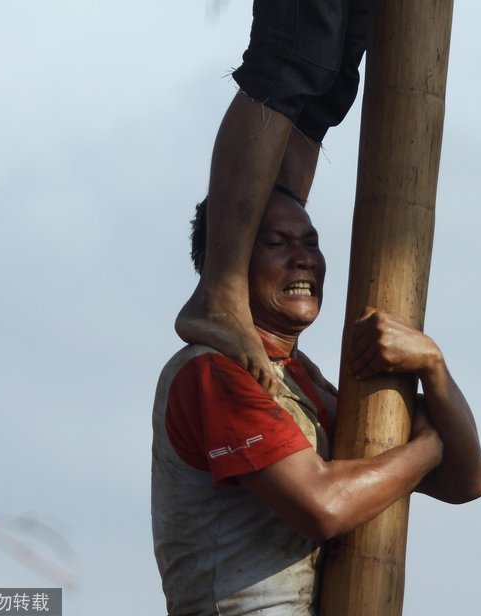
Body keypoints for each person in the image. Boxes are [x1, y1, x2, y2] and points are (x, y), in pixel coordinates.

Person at [152, 190, 481, 614]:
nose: (304, 259)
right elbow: (322, 507)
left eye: (311, 243)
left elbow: (468, 481)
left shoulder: (300, 377)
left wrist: (433, 365)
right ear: (228, 266)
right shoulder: (214, 370)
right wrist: (427, 448)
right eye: (277, 243)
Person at [175, 0, 371, 394]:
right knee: (298, 52)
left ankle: (261, 325)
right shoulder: (204, 374)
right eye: (278, 242)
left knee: (331, 83)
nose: (302, 258)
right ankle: (222, 292)